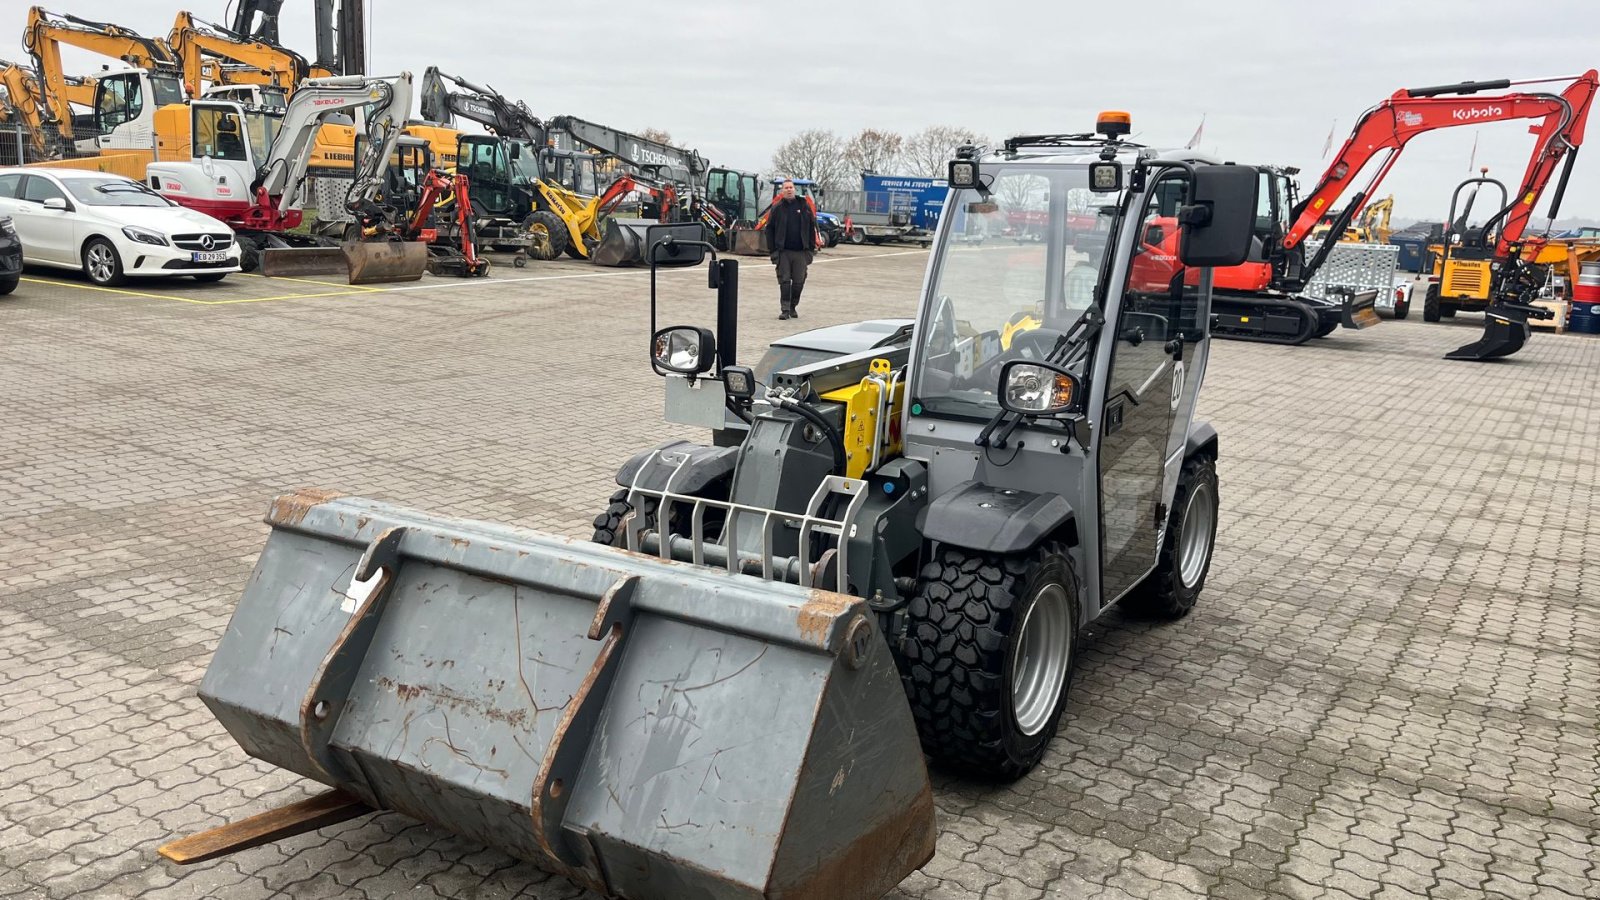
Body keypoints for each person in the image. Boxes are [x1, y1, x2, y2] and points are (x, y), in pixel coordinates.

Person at [764, 178, 817, 320]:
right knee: (785, 281)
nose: (789, 190)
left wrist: (810, 250)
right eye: (786, 187)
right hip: (784, 252)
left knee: (799, 281)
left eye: (791, 187)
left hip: (801, 251)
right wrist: (773, 251)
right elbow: (769, 230)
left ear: (795, 190)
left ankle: (793, 306)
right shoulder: (777, 208)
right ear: (782, 191)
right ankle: (785, 309)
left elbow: (812, 228)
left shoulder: (804, 206)